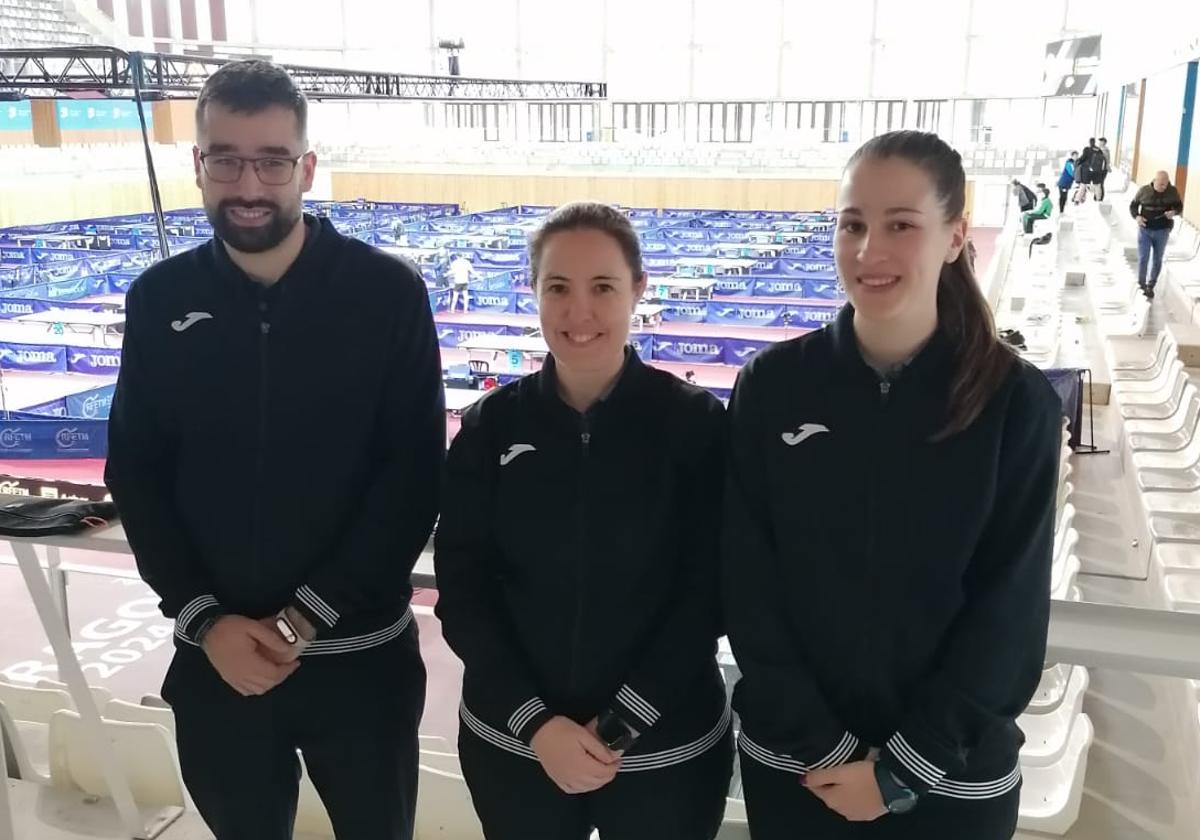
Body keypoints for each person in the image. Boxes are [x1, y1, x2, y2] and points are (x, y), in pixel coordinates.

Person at [105, 59, 444, 840]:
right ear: (197, 166)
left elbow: (413, 476)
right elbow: (137, 472)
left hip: (360, 662)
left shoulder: (385, 293)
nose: (247, 184)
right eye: (224, 158)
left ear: (306, 168)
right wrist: (204, 618)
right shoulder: (159, 300)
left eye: (270, 160)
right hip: (216, 661)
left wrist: (306, 619)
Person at [724, 130, 1061, 840]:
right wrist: (822, 745)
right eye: (852, 224)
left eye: (900, 225)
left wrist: (904, 769)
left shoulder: (1014, 401)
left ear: (954, 236)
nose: (869, 250)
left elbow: (1010, 613)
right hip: (799, 762)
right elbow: (749, 584)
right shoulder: (773, 387)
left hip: (955, 773)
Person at [435, 201, 732, 840]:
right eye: (558, 288)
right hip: (516, 744)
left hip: (665, 747)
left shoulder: (695, 426)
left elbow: (710, 589)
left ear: (638, 291)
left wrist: (622, 721)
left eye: (603, 288)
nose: (579, 313)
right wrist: (536, 723)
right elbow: (464, 588)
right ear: (534, 292)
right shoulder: (491, 429)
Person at [1129, 170, 1184, 299]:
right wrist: (1137, 217)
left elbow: (1179, 207)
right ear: (1155, 181)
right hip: (1145, 229)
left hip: (1163, 230)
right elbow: (1133, 206)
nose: (1164, 187)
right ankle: (1141, 285)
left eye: (1166, 184)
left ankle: (1150, 285)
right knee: (1143, 258)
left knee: (1157, 258)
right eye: (1161, 185)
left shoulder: (1172, 191)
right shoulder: (1144, 191)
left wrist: (1174, 212)